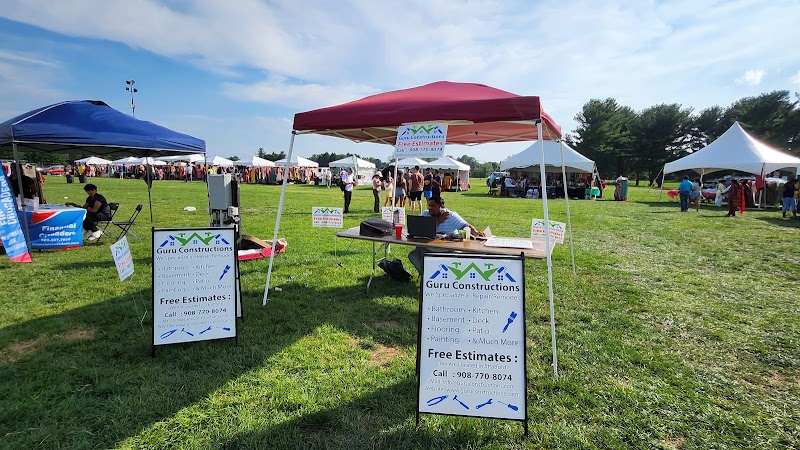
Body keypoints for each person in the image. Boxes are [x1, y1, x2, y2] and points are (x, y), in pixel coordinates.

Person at [407, 196, 485, 274]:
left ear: (441, 206)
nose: (430, 208)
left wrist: (476, 232)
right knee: (413, 255)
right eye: (429, 205)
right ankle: (427, 275)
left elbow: (465, 226)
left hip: (447, 250)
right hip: (427, 248)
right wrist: (437, 221)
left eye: (433, 206)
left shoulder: (450, 215)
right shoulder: (425, 214)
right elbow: (417, 228)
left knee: (460, 258)